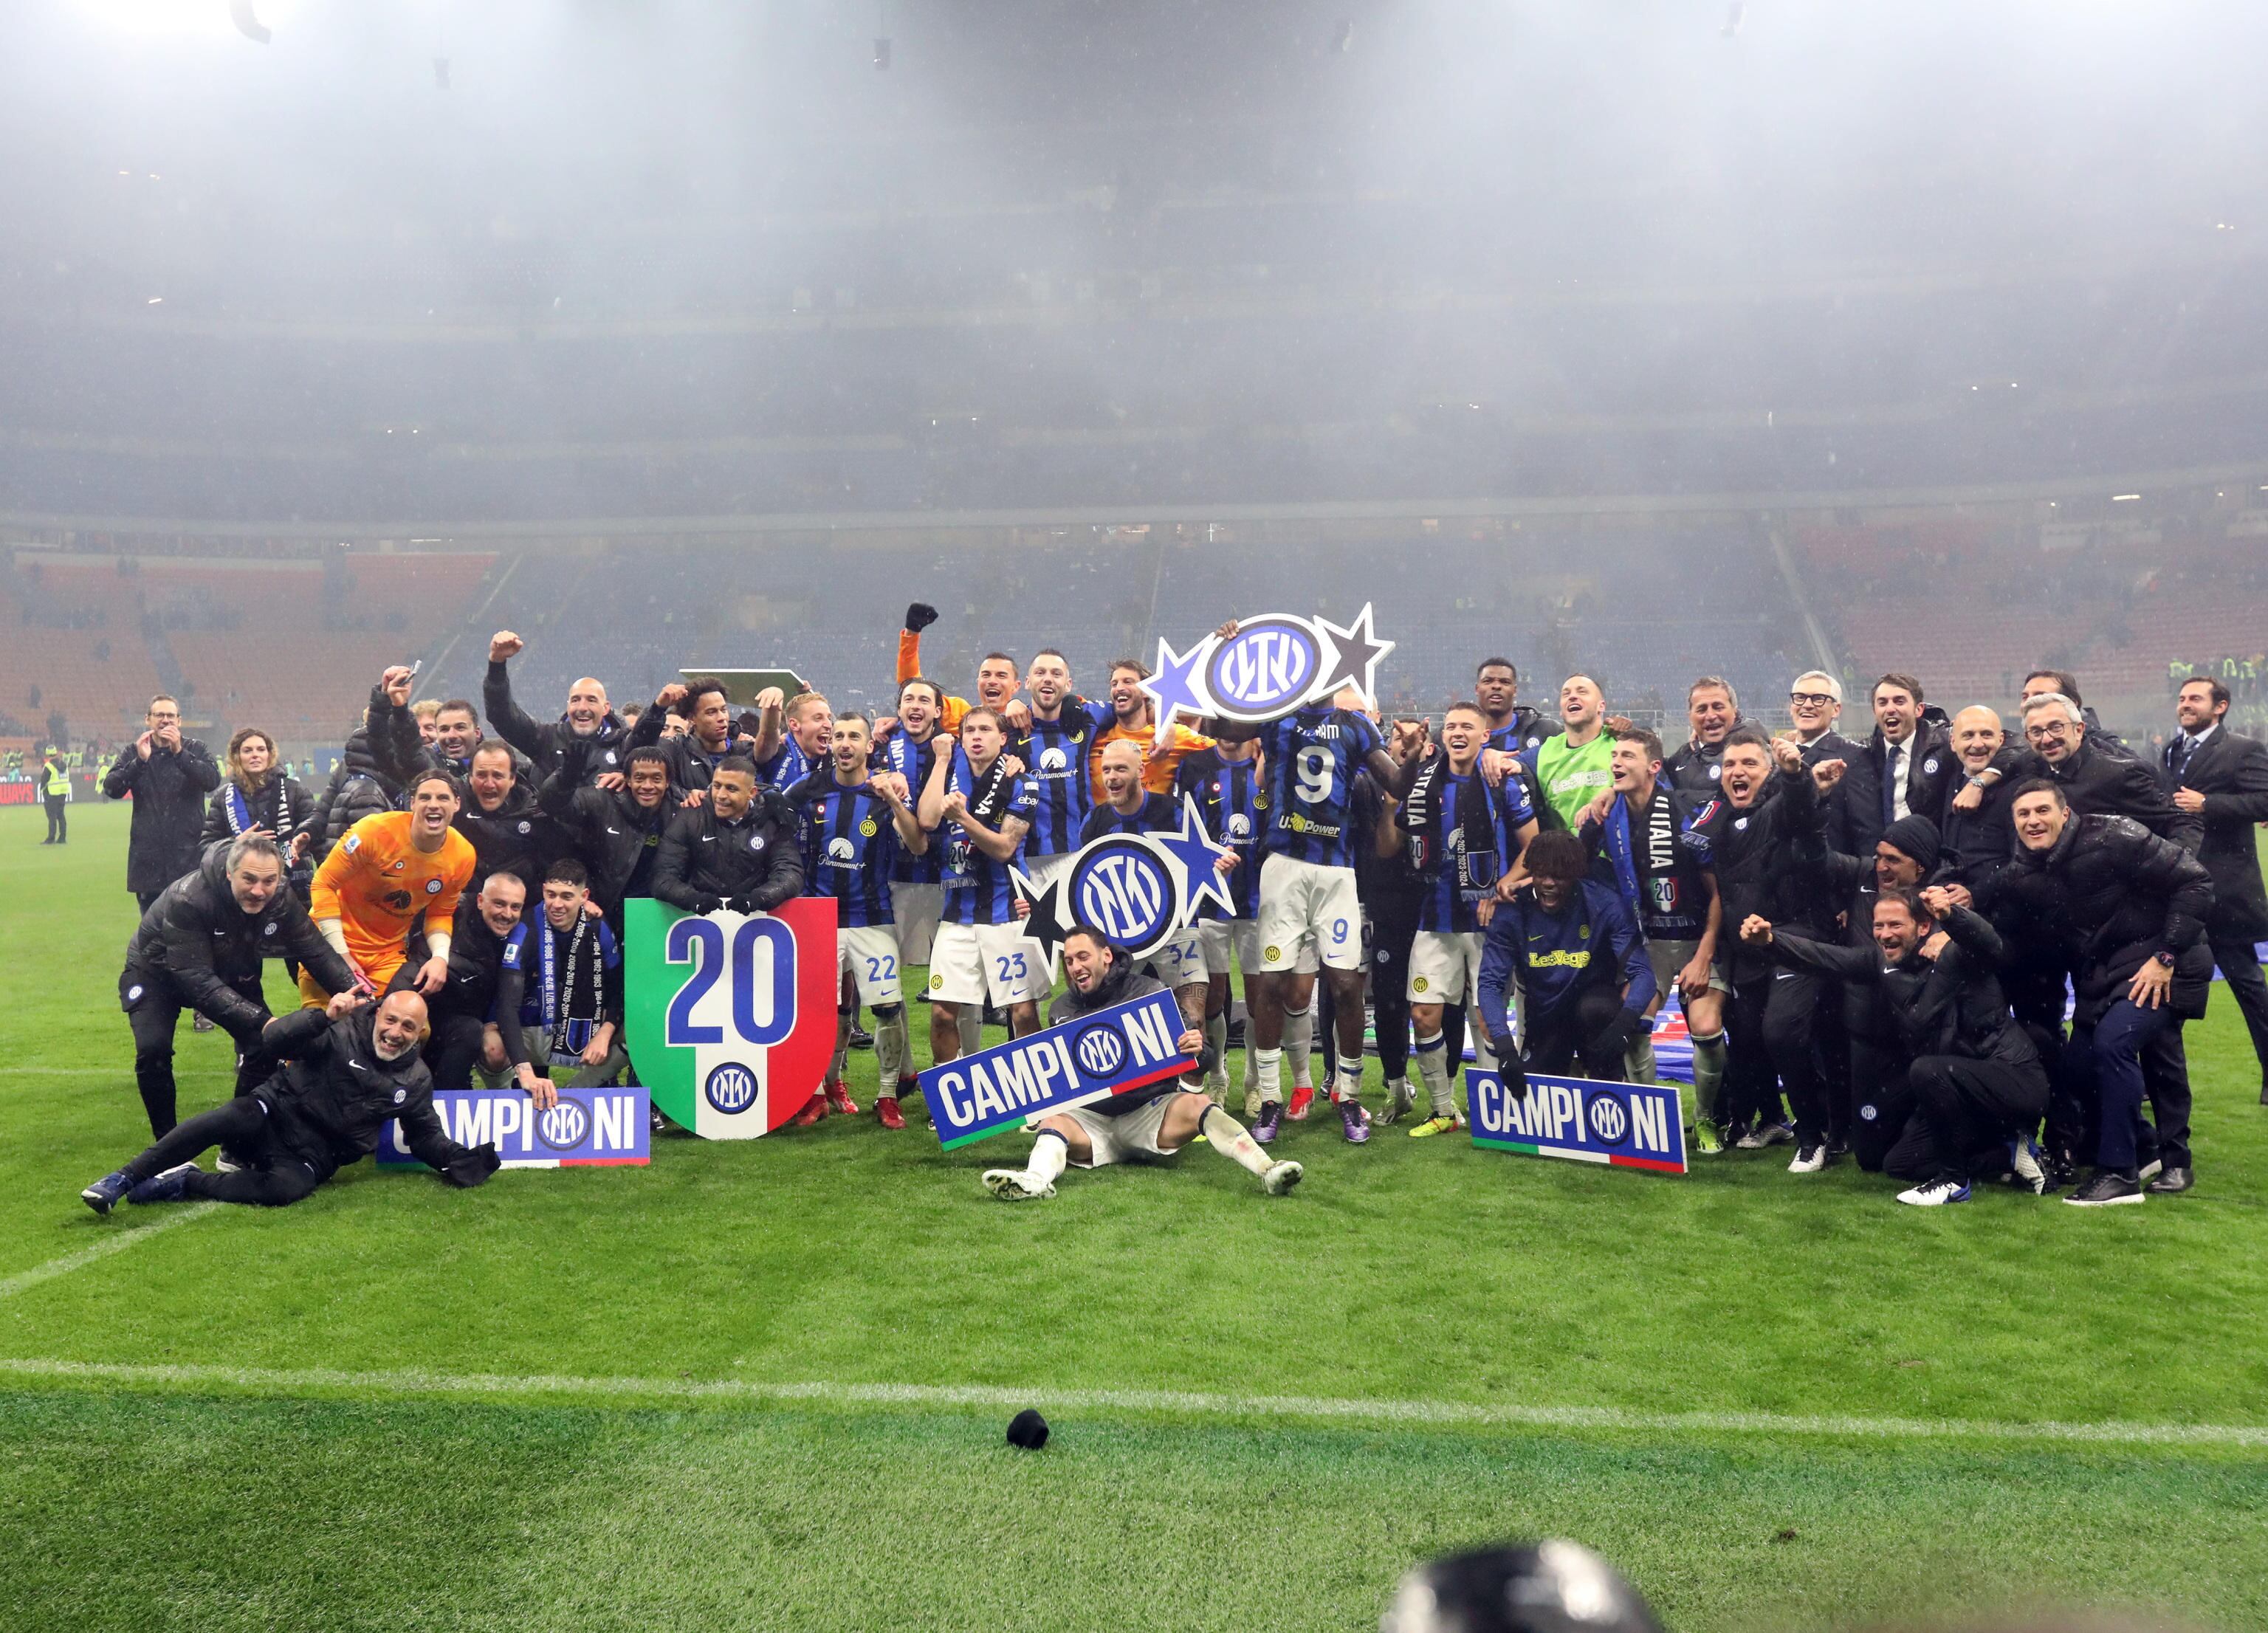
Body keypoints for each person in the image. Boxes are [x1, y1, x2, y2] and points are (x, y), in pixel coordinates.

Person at [1208, 670, 1423, 1145]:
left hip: (1337, 873)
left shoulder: (1356, 725)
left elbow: (1399, 784)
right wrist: (1232, 655)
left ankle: (1347, 1096)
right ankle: (1269, 1099)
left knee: (1347, 985)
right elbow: (1224, 725)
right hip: (1283, 866)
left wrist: (1409, 758)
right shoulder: (1276, 716)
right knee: (1272, 983)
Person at [1742, 886, 2049, 1205]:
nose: (1885, 934)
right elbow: (1825, 958)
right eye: (1879, 925)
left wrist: (1953, 917)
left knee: (1927, 1070)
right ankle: (2006, 1153)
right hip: (1953, 1085)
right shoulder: (1879, 961)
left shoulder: (1957, 952)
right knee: (1889, 1162)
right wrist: (1772, 942)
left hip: (2011, 1079)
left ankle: (1953, 1181)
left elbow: (1990, 943)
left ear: (1924, 926)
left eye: (1896, 925)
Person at [81, 989, 501, 1213]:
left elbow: (425, 1135)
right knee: (231, 1115)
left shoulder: (416, 1080)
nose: (395, 1032)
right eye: (391, 1019)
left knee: (286, 1190)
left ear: (420, 1033)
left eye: (409, 1027)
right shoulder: (342, 1028)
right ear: (378, 1015)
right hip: (274, 1111)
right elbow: (275, 1039)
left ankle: (188, 1181)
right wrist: (322, 1016)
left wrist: (458, 1159)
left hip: (315, 1154)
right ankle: (121, 1179)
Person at [1994, 780, 2213, 1204]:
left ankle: (2120, 1175)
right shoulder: (2025, 870)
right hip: (2105, 975)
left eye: (2042, 811)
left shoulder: (2115, 835)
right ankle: (2144, 1147)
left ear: (2064, 812)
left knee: (2114, 1045)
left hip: (2168, 963)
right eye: (2023, 814)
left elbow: (2195, 882)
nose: (2033, 821)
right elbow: (2000, 905)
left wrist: (2166, 955)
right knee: (2078, 1068)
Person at [977, 926, 1302, 1201]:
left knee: (1199, 1105)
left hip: (1150, 1113)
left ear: (1106, 956)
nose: (1075, 967)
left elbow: (1202, 1059)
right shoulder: (1061, 1009)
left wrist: (1197, 1049)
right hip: (1091, 1120)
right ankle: (1035, 1180)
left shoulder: (1150, 992)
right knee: (1053, 1121)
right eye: (1069, 960)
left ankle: (1266, 1168)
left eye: (1083, 957)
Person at [119, 833, 359, 1138]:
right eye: (249, 880)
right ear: (230, 873)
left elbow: (316, 951)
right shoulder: (189, 898)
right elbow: (197, 980)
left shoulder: (281, 896)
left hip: (227, 967)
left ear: (279, 878)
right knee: (153, 1050)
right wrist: (263, 1020)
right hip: (156, 972)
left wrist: (362, 997)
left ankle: (238, 1141)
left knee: (265, 1043)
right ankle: (167, 1145)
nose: (259, 891)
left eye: (269, 881)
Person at [1576, 726, 1731, 1148]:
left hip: (1700, 937)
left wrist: (1705, 953)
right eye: (1614, 757)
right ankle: (1650, 1120)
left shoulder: (1684, 810)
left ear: (1654, 767)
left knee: (1704, 1025)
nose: (1617, 763)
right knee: (1636, 1025)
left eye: (1627, 756)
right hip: (1649, 944)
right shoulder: (1608, 815)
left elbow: (1718, 892)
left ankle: (1706, 1118)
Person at [1392, 702, 1537, 1135]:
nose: (1458, 733)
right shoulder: (1423, 784)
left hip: (1490, 923)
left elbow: (1533, 847)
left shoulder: (1503, 782)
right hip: (1433, 919)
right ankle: (1443, 1110)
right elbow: (1399, 837)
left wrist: (1501, 886)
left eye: (1467, 727)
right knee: (1424, 1014)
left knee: (1488, 1020)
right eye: (1451, 726)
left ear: (1483, 736)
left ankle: (1497, 1110)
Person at [1690, 727, 1832, 1159]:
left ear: (1767, 772)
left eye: (1750, 764)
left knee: (1784, 1035)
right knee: (1750, 1036)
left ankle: (1818, 1133)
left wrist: (1796, 776)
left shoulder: (1776, 809)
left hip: (1791, 939)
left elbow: (1803, 812)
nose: (1738, 771)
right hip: (1746, 947)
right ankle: (1771, 1119)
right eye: (1731, 764)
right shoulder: (1717, 818)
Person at [782, 710, 926, 1127]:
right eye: (839, 736)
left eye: (854, 737)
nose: (845, 743)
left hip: (872, 918)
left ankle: (885, 1097)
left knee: (886, 1009)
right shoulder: (806, 790)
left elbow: (917, 845)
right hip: (817, 919)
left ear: (869, 746)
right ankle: (813, 1094)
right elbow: (770, 821)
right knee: (816, 1011)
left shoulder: (884, 793)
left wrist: (897, 798)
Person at [1178, 735, 1322, 1115]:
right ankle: (1219, 1077)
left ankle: (1254, 1083)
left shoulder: (1270, 769)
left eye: (1236, 723)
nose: (1228, 729)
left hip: (1262, 902)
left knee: (1263, 998)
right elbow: (1180, 831)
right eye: (1221, 722)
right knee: (1212, 997)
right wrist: (1206, 858)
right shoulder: (1194, 766)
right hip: (1208, 901)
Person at [1475, 830, 1655, 1082]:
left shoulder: (1605, 905)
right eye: (1541, 875)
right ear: (1531, 873)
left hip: (1595, 1009)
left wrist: (1623, 1026)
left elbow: (1643, 973)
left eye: (1559, 877)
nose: (1549, 883)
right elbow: (1490, 983)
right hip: (1545, 1014)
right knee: (1529, 1092)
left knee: (1598, 1011)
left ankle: (1608, 1076)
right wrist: (1505, 1047)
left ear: (1575, 875)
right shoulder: (1511, 914)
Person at [2162, 674, 2268, 1100]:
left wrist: (2208, 805)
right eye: (2182, 698)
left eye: (2195, 699)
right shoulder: (2171, 750)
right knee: (2161, 982)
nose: (2185, 704)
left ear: (2220, 707)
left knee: (2246, 984)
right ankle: (2158, 1078)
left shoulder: (2244, 749)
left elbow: (2264, 801)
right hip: (2178, 884)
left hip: (2226, 891)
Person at [918, 708, 1043, 1061]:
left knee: (1022, 1012)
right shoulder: (947, 772)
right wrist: (941, 761)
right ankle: (953, 1105)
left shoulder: (1023, 782)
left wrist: (962, 818)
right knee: (942, 1013)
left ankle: (1034, 1098)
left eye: (985, 729)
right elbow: (927, 821)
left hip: (1007, 913)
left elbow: (1005, 848)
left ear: (1002, 739)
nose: (976, 736)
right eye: (969, 730)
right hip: (956, 916)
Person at [1079, 740, 1222, 1043]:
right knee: (1116, 1021)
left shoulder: (1176, 813)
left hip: (1177, 928)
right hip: (1122, 936)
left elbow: (1202, 865)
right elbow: (1081, 883)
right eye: (1106, 770)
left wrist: (1218, 866)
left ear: (1140, 771)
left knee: (1193, 1016)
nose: (1112, 777)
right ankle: (1138, 1090)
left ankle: (1202, 1085)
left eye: (1121, 768)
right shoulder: (1094, 822)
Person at [301, 768, 477, 1008]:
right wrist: (341, 955)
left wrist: (440, 958)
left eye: (443, 798)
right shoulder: (374, 831)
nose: (433, 805)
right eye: (425, 797)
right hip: (331, 945)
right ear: (412, 803)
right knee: (327, 1032)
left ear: (457, 804)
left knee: (408, 1028)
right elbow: (323, 884)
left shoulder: (463, 856)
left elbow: (440, 914)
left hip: (385, 955)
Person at [421, 868, 552, 1102]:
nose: (507, 914)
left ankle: (459, 1103)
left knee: (473, 1035)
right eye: (499, 904)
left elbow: (507, 1003)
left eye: (515, 907)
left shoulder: (520, 936)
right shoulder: (453, 917)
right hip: (433, 1015)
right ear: (481, 901)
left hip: (471, 1023)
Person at [2014, 692, 2201, 850]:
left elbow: (2183, 823)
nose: (2046, 739)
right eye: (2036, 732)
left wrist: (2169, 874)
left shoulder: (2117, 774)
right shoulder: (2030, 771)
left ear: (2079, 730)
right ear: (2027, 738)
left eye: (2056, 728)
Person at [102, 693, 221, 912]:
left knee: (188, 932)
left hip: (189, 858)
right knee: (152, 936)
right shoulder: (135, 751)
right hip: (148, 862)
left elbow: (212, 781)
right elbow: (111, 788)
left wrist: (180, 753)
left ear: (179, 721)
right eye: (159, 715)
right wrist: (139, 762)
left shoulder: (196, 749)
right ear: (148, 719)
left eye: (170, 715)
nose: (165, 720)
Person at [538, 740, 678, 926]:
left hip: (658, 915)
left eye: (656, 779)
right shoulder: (602, 801)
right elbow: (552, 805)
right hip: (606, 911)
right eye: (639, 778)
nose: (647, 785)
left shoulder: (682, 807)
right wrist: (565, 779)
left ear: (668, 781)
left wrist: (701, 794)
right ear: (627, 779)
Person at [515, 860, 627, 1090]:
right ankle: (505, 1100)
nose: (557, 904)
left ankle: (578, 1093)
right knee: (491, 1045)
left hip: (582, 1023)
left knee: (637, 1032)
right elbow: (507, 995)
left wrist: (605, 1033)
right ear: (543, 890)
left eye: (567, 896)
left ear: (584, 896)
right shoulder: (526, 926)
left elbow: (616, 988)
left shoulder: (597, 927)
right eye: (551, 895)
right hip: (531, 1026)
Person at [649, 756, 805, 915]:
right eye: (717, 786)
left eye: (731, 789)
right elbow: (663, 877)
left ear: (751, 793)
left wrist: (760, 898)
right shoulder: (690, 816)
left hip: (756, 920)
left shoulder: (771, 821)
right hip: (697, 921)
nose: (720, 795)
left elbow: (790, 873)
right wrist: (692, 899)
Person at [482, 630, 633, 785]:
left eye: (591, 700)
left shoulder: (624, 744)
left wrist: (628, 778)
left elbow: (651, 776)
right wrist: (497, 664)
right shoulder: (547, 739)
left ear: (606, 708)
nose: (582, 707)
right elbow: (502, 716)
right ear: (567, 706)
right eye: (575, 700)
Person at [312, 667, 429, 859]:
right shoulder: (385, 769)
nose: (424, 734)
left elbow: (322, 813)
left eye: (430, 728)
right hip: (382, 866)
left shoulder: (421, 763)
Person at [1838, 673, 1955, 860]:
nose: (1890, 709)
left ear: (1919, 709)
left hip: (1930, 863)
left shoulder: (1945, 744)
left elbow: (2007, 743)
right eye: (1882, 703)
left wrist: (1979, 781)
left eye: (1899, 701)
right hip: (1880, 866)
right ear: (1874, 710)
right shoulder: (1863, 755)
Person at [453, 738, 566, 897]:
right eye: (481, 775)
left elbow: (559, 865)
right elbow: (418, 763)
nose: (489, 784)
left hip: (516, 908)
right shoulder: (453, 800)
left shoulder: (534, 813)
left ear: (512, 779)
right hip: (464, 904)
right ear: (470, 777)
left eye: (498, 776)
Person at [894, 602, 1027, 737]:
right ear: (978, 682)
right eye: (986, 675)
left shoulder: (1028, 719)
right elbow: (912, 686)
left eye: (1001, 676)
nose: (992, 681)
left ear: (1016, 686)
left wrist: (1015, 704)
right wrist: (911, 633)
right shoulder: (961, 715)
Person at [1936, 706, 2019, 899]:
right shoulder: (1951, 781)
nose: (1978, 743)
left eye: (1986, 735)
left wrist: (1976, 894)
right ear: (1953, 743)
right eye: (1968, 736)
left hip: (2003, 910)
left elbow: (2024, 862)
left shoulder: (2019, 789)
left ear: (2001, 740)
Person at [1525, 675, 1614, 829]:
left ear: (1601, 706)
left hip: (1615, 851)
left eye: (1582, 692)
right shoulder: (1541, 754)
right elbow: (1508, 765)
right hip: (1564, 851)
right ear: (1561, 711)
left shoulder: (1620, 744)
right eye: (1566, 694)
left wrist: (1616, 793)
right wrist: (1494, 756)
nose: (1572, 696)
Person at [1663, 676, 1744, 792]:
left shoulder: (1752, 749)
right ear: (1690, 717)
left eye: (1718, 707)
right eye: (1702, 710)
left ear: (1735, 712)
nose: (1711, 716)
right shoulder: (1683, 757)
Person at [1474, 657, 1559, 754]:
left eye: (1505, 682)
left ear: (1515, 690)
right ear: (1477, 689)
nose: (1496, 686)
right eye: (1488, 681)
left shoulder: (1547, 731)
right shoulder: (1462, 737)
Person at [757, 690, 834, 791]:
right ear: (794, 725)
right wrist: (773, 708)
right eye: (818, 718)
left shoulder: (833, 760)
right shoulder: (777, 754)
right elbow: (768, 732)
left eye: (829, 718)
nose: (828, 725)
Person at [40, 746, 69, 844]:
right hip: (63, 792)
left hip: (52, 793)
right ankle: (62, 837)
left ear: (47, 754)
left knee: (52, 817)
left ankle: (51, 838)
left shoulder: (49, 766)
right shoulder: (64, 764)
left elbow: (44, 781)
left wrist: (43, 791)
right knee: (61, 815)